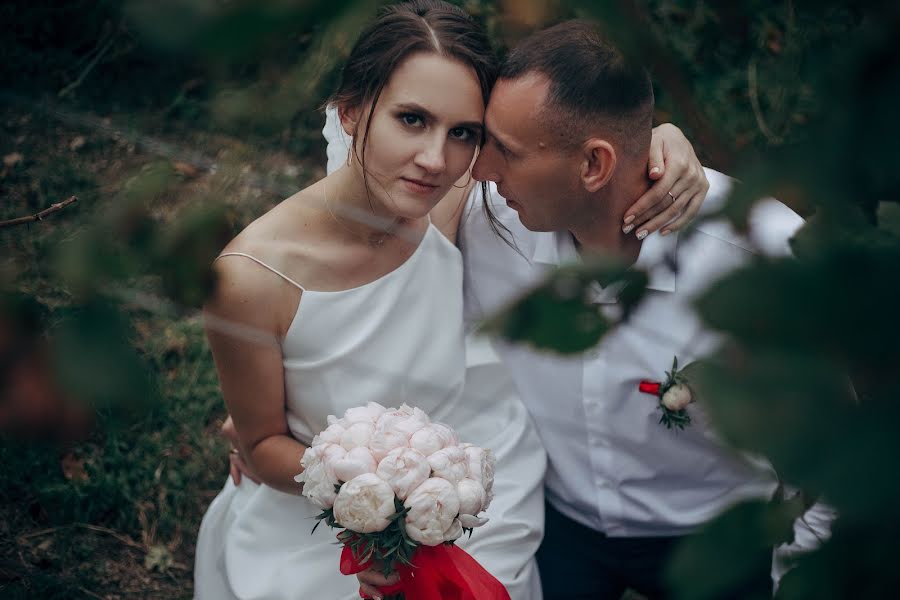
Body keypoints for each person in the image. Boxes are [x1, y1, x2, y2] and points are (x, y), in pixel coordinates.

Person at [198, 2, 709, 599]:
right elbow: (259, 447)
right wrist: (380, 505)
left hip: (481, 495)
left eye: (463, 132)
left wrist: (666, 143)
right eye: (411, 119)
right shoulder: (250, 277)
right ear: (350, 112)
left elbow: (590, 144)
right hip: (326, 521)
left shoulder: (453, 200)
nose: (436, 160)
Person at [448, 20, 824, 599]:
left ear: (594, 166)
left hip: (720, 535)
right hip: (555, 524)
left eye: (507, 152)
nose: (482, 171)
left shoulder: (762, 259)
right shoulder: (487, 222)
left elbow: (824, 459)